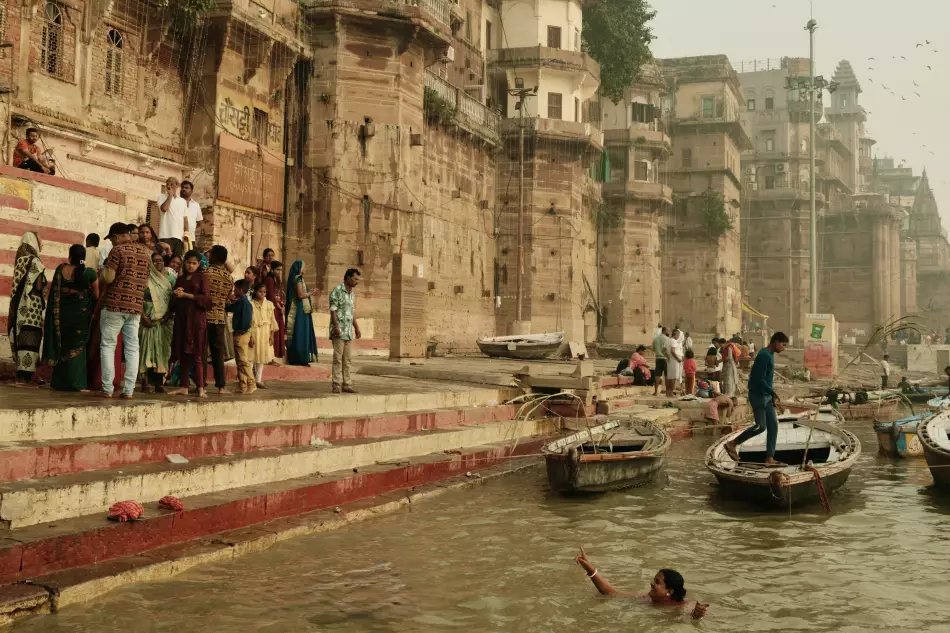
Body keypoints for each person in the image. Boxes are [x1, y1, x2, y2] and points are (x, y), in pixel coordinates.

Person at [574, 548, 707, 619]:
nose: (652, 584)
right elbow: (611, 593)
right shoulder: (646, 599)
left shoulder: (683, 606)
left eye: (657, 582)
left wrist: (696, 615)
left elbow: (690, 616)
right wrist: (590, 569)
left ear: (670, 591)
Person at [99, 222, 151, 399]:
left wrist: (103, 272)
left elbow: (108, 277)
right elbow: (146, 280)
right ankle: (129, 390)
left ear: (119, 236)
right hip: (135, 306)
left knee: (108, 345)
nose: (112, 242)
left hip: (115, 304)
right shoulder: (145, 253)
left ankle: (107, 388)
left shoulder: (117, 251)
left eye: (113, 238)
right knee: (132, 348)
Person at [724, 332, 790, 466]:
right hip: (758, 395)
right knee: (760, 426)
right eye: (783, 345)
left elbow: (767, 378)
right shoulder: (764, 355)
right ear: (776, 342)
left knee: (773, 426)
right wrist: (772, 392)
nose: (784, 348)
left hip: (766, 396)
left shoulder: (770, 355)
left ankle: (769, 458)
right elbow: (758, 379)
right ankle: (732, 443)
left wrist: (771, 395)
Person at [42, 245, 99, 391]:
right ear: (84, 257)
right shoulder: (89, 273)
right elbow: (96, 295)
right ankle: (77, 383)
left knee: (63, 345)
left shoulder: (60, 270)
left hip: (61, 315)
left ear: (70, 256)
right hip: (80, 316)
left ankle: (59, 382)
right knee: (78, 346)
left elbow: (54, 291)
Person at [169, 251, 211, 397]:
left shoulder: (202, 278)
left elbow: (206, 300)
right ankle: (184, 386)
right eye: (188, 262)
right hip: (181, 319)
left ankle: (200, 387)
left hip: (196, 321)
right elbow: (173, 302)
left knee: (197, 355)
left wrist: (186, 295)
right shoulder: (180, 279)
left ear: (198, 264)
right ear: (184, 262)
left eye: (194, 263)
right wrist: (176, 294)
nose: (191, 266)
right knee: (183, 354)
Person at [8, 232, 48, 387]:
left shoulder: (19, 261)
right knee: (30, 341)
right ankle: (25, 379)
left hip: (18, 309)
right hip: (31, 309)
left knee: (21, 339)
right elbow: (38, 286)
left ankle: (19, 377)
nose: (42, 244)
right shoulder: (35, 262)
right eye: (40, 241)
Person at [138, 251, 175, 393]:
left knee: (162, 351)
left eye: (161, 261)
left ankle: (160, 383)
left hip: (164, 322)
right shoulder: (144, 278)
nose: (158, 263)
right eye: (155, 261)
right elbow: (139, 298)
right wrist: (143, 316)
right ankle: (144, 381)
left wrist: (169, 315)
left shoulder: (170, 279)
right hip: (147, 320)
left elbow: (173, 300)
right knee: (145, 350)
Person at [204, 245, 234, 395]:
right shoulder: (229, 277)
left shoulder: (204, 273)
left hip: (203, 317)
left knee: (202, 352)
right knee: (218, 354)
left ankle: (201, 384)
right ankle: (221, 386)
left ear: (213, 256)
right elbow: (228, 298)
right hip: (219, 319)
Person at [329, 268, 362, 393]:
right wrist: (336, 326)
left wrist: (356, 327)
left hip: (348, 331)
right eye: (355, 279)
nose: (356, 282)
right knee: (338, 358)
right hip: (339, 330)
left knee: (347, 359)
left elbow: (351, 312)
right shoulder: (337, 291)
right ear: (348, 278)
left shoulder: (352, 293)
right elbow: (333, 310)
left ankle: (347, 384)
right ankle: (336, 384)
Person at [285, 260, 319, 366]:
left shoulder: (300, 279)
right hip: (299, 310)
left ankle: (301, 357)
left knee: (302, 332)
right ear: (299, 268)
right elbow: (300, 295)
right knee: (299, 332)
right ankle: (298, 358)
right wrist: (311, 293)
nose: (305, 269)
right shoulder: (298, 279)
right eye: (304, 267)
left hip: (303, 309)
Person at [227, 279, 256, 394]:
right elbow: (229, 308)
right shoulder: (241, 301)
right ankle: (242, 385)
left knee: (243, 361)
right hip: (241, 333)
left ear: (240, 290)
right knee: (239, 361)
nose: (234, 291)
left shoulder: (243, 303)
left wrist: (242, 331)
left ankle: (251, 383)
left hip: (242, 334)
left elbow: (246, 319)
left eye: (235, 289)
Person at [249, 282, 279, 388]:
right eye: (260, 292)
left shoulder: (270, 305)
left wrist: (271, 335)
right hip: (255, 331)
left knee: (261, 357)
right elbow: (250, 321)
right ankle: (250, 379)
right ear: (255, 292)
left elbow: (272, 320)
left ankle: (258, 379)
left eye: (264, 292)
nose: (262, 294)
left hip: (265, 333)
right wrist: (250, 336)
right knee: (252, 356)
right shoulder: (251, 304)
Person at [265, 260, 286, 362]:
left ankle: (273, 357)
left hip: (278, 308)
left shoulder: (278, 280)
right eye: (277, 269)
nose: (279, 272)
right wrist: (278, 305)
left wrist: (282, 305)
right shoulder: (269, 279)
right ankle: (270, 357)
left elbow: (280, 293)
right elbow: (270, 295)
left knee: (278, 331)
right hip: (272, 308)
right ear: (272, 269)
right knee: (272, 331)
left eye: (281, 270)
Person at [665, 329, 684, 397]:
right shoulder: (673, 341)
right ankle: (671, 392)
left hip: (670, 360)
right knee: (673, 377)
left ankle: (668, 392)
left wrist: (667, 356)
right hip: (674, 361)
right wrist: (678, 359)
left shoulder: (668, 340)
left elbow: (664, 349)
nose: (678, 336)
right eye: (678, 335)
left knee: (670, 377)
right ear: (676, 334)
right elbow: (673, 351)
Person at [652, 327, 669, 396]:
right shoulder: (667, 339)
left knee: (657, 375)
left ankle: (656, 391)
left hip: (658, 358)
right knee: (667, 375)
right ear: (665, 331)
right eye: (668, 330)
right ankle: (668, 392)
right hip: (665, 358)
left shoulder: (655, 339)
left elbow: (653, 349)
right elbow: (668, 349)